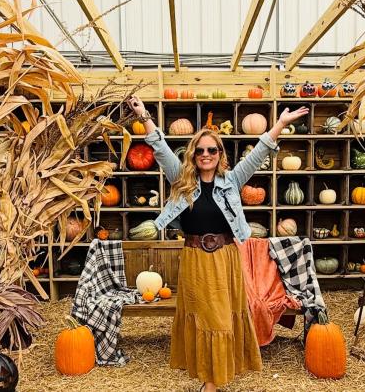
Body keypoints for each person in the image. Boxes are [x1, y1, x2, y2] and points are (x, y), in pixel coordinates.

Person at [127, 95, 309, 392]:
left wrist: (280, 123)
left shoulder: (232, 180)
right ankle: (209, 376)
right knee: (204, 318)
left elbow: (260, 151)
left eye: (212, 149)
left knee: (221, 317)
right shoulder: (182, 179)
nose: (206, 154)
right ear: (193, 154)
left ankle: (212, 381)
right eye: (200, 150)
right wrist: (144, 115)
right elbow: (159, 148)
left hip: (225, 257)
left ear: (220, 153)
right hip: (195, 258)